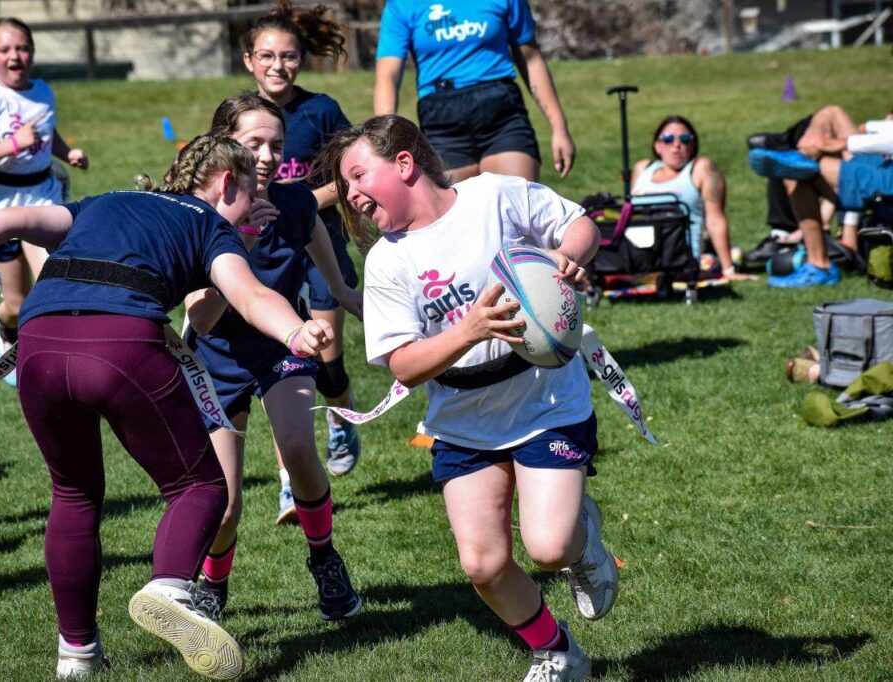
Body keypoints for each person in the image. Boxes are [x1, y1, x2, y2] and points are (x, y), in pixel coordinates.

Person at [0, 134, 335, 679]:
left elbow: (13, 220)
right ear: (225, 183)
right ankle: (170, 588)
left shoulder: (105, 201)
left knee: (72, 494)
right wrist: (295, 332)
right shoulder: (211, 224)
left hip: (40, 344)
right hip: (120, 342)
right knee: (200, 487)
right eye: (248, 192)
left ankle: (77, 654)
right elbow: (251, 295)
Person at [318, 114, 619, 682]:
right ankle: (556, 652)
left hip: (544, 399)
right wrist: (469, 330)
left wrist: (567, 257)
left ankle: (583, 546)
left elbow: (579, 224)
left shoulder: (494, 196)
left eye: (359, 177)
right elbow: (402, 364)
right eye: (346, 187)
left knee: (549, 547)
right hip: (460, 417)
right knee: (482, 563)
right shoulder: (387, 260)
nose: (351, 195)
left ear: (404, 163)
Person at [184, 92, 363, 624]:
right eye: (253, 143)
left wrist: (396, 320)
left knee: (299, 448)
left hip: (282, 351)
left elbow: (340, 288)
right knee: (225, 502)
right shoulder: (199, 215)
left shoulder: (297, 204)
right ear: (223, 148)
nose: (266, 156)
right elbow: (201, 320)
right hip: (215, 361)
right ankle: (214, 587)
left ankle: (325, 560)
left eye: (276, 145)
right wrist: (237, 237)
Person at [240, 1, 363, 519]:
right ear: (249, 60)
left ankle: (340, 418)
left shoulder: (322, 110)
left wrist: (302, 201)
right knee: (285, 359)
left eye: (288, 57)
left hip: (321, 242)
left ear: (301, 61)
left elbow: (353, 169)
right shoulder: (241, 115)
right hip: (268, 254)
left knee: (326, 356)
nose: (277, 66)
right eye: (266, 56)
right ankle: (291, 478)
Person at [0, 17, 88, 388]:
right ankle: (6, 325)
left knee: (56, 279)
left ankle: (54, 360)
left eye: (22, 48)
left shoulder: (43, 90)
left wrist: (66, 152)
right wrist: (13, 145)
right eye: (5, 50)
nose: (15, 56)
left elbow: (48, 131)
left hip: (42, 195)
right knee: (17, 302)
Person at [373, 0, 574, 183]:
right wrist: (386, 139)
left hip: (502, 116)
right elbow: (387, 77)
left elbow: (531, 58)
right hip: (442, 124)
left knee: (516, 211)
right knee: (453, 220)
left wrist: (560, 128)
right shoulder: (401, 6)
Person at [750, 115, 893, 288]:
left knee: (795, 174)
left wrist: (842, 143)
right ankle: (801, 153)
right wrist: (868, 126)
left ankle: (819, 266)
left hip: (887, 177)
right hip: (883, 160)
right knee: (831, 113)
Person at [631, 115, 754, 280]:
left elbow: (715, 219)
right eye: (668, 139)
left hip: (683, 257)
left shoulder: (702, 169)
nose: (676, 145)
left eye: (684, 138)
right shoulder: (642, 169)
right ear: (657, 145)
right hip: (639, 254)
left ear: (693, 144)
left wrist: (728, 270)